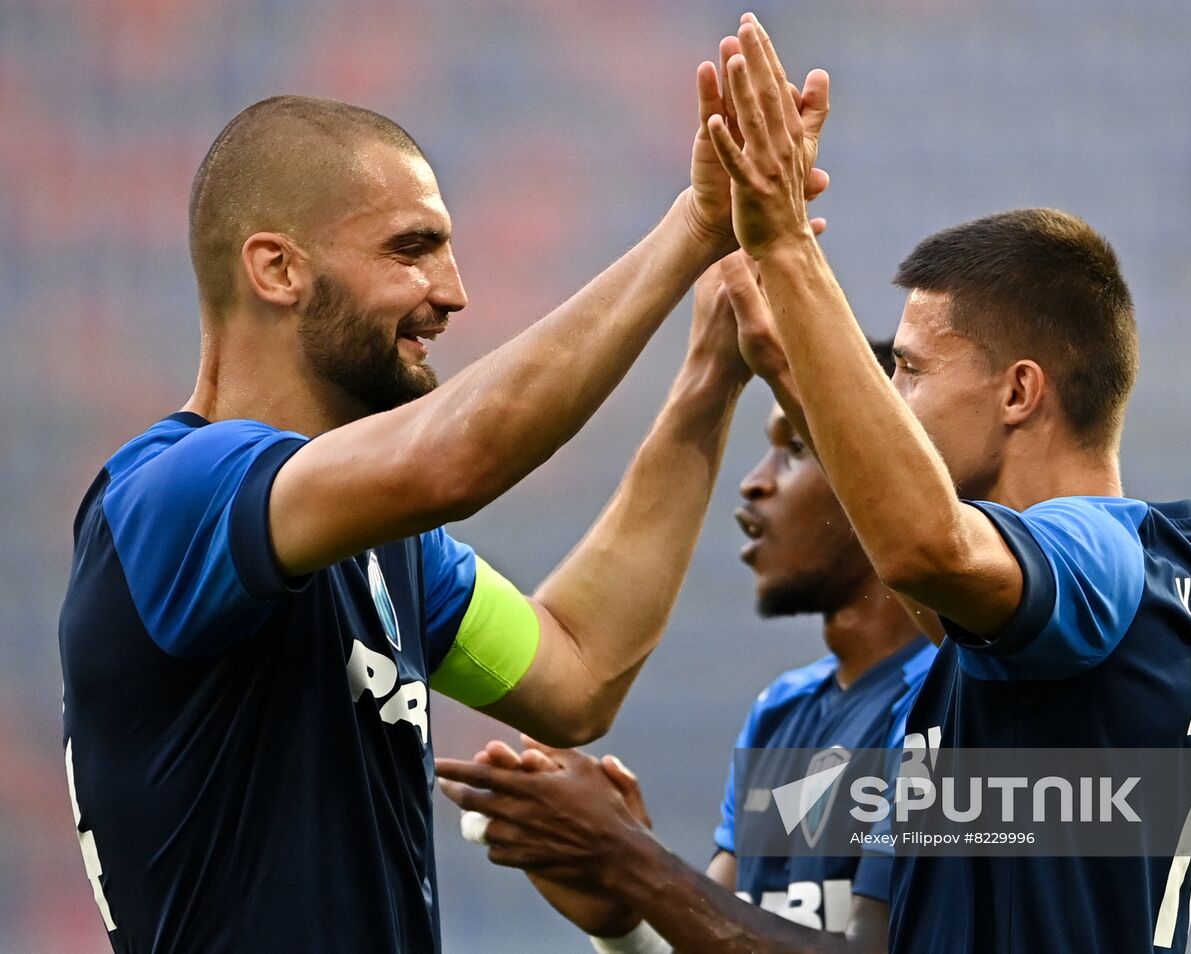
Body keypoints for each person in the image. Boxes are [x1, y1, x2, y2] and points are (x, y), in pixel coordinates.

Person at [57, 65, 831, 954]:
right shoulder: (175, 492)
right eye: (411, 249)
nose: (454, 291)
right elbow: (455, 458)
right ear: (277, 269)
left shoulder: (385, 549)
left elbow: (577, 674)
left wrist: (708, 376)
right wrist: (691, 228)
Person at [696, 13, 1191, 953]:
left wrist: (787, 244)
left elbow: (925, 548)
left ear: (1020, 391)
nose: (893, 397)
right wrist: (798, 359)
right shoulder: (1125, 580)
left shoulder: (1100, 556)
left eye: (909, 370)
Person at [438, 332, 940, 953]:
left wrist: (629, 857)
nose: (755, 484)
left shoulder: (956, 701)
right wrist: (622, 921)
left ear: (892, 480)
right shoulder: (785, 710)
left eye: (798, 449)